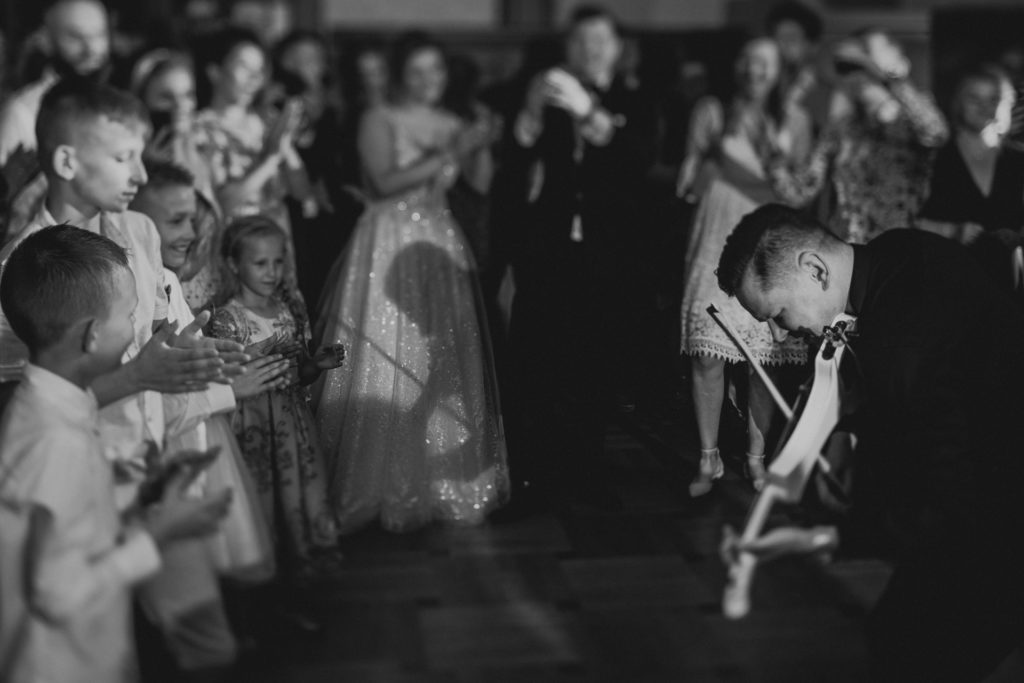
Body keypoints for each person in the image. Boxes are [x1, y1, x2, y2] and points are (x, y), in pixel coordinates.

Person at [717, 203, 1024, 682]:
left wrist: (831, 536)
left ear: (815, 269)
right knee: (893, 635)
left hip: (996, 520)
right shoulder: (899, 250)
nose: (777, 335)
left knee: (910, 650)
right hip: (985, 494)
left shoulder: (897, 342)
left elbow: (945, 490)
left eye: (777, 313)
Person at [0, 225, 232, 683]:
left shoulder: (52, 403)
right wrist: (157, 534)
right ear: (91, 336)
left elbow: (68, 522)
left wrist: (145, 497)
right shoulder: (55, 442)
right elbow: (57, 594)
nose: (134, 328)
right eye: (128, 315)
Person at [314, 31, 509, 532]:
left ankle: (442, 477)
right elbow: (383, 182)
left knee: (437, 353)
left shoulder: (451, 122)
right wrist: (450, 152)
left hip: (437, 239)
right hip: (387, 238)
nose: (429, 81)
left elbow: (481, 183)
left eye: (436, 70)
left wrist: (482, 143)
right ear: (400, 74)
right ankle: (378, 479)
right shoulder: (378, 118)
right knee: (387, 348)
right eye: (418, 71)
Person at [502, 5, 657, 510]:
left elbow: (638, 161)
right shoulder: (548, 95)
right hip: (548, 250)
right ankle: (531, 473)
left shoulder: (638, 98)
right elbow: (515, 166)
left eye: (600, 40)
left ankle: (585, 472)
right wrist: (530, 113)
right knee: (537, 360)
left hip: (608, 254)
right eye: (582, 41)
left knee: (595, 363)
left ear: (617, 48)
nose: (591, 49)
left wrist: (590, 112)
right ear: (569, 48)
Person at [131, 160, 278, 585]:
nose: (192, 234)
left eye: (192, 221)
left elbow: (186, 362)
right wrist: (230, 390)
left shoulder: (168, 280)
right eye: (176, 221)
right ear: (134, 221)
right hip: (164, 454)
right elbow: (149, 397)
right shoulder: (130, 294)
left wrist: (220, 362)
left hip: (197, 436)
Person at [677, 38, 809, 495]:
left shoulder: (794, 119)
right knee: (706, 350)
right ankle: (708, 456)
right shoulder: (712, 111)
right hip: (716, 231)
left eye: (765, 63)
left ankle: (756, 456)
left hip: (768, 237)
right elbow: (688, 183)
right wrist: (708, 164)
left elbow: (801, 190)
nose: (756, 70)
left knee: (764, 358)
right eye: (749, 61)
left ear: (778, 70)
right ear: (737, 66)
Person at [207, 215, 343, 580]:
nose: (272, 272)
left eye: (278, 262)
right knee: (263, 497)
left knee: (300, 490)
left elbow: (301, 374)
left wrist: (316, 365)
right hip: (253, 426)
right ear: (234, 264)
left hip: (294, 423)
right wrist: (258, 354)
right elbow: (227, 378)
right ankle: (268, 573)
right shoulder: (227, 319)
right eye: (260, 263)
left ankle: (303, 565)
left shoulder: (290, 308)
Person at [766, 28, 948, 243]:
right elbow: (798, 193)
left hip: (899, 249)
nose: (859, 63)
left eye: (867, 50)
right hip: (848, 250)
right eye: (853, 59)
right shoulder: (841, 128)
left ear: (900, 63)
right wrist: (774, 154)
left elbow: (935, 133)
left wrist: (889, 78)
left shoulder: (913, 118)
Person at [917, 65, 1024, 293]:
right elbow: (905, 216)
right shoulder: (933, 156)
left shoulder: (1018, 159)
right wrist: (951, 230)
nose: (984, 107)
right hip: (945, 279)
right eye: (974, 98)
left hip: (1006, 285)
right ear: (958, 102)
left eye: (994, 98)